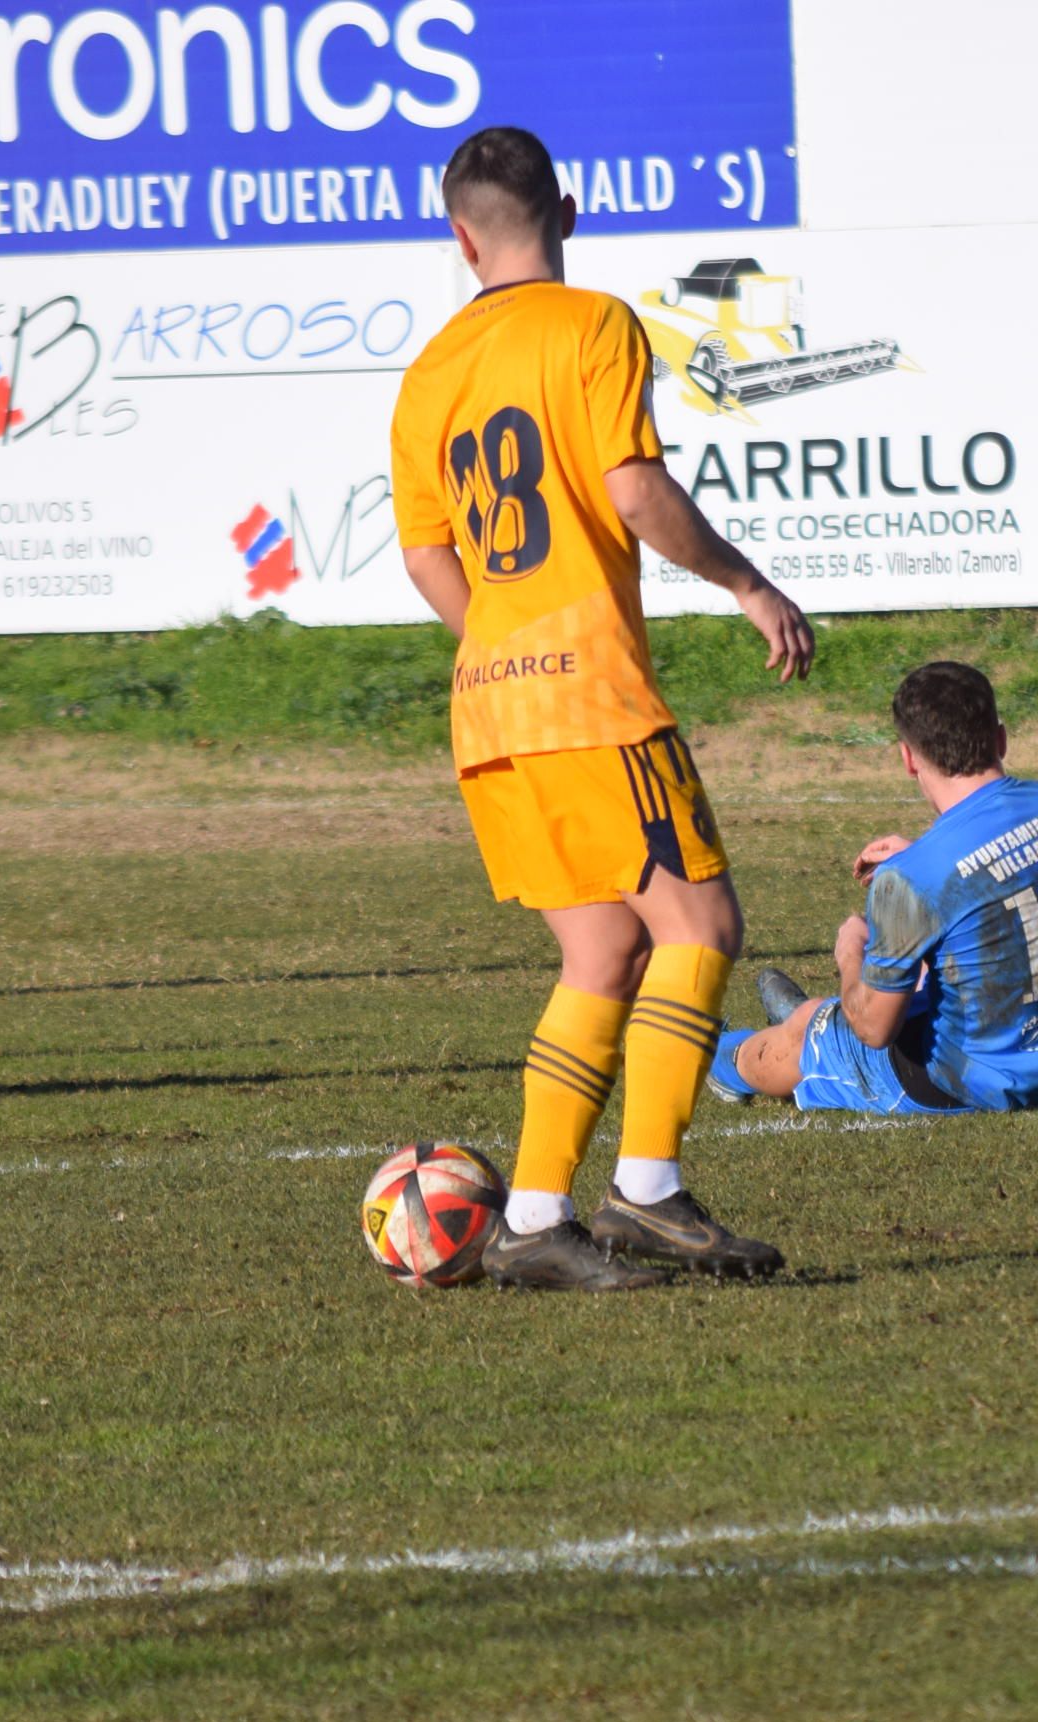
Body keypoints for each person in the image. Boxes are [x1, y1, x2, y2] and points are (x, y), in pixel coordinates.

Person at [390, 125, 814, 1291]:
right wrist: (744, 580)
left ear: (459, 235)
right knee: (702, 930)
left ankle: (531, 1216)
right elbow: (631, 486)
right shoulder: (591, 326)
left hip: (490, 706)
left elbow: (429, 558)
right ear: (566, 212)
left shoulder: (428, 370)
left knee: (603, 948)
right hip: (589, 696)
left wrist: (501, 646)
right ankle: (645, 1192)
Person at [714, 662, 1038, 1116]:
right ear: (1000, 739)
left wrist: (851, 952)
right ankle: (806, 1014)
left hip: (960, 1083)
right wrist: (925, 861)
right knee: (929, 971)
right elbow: (1004, 883)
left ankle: (713, 1054)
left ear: (907, 758)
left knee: (811, 1031)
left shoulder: (911, 877)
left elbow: (874, 1029)